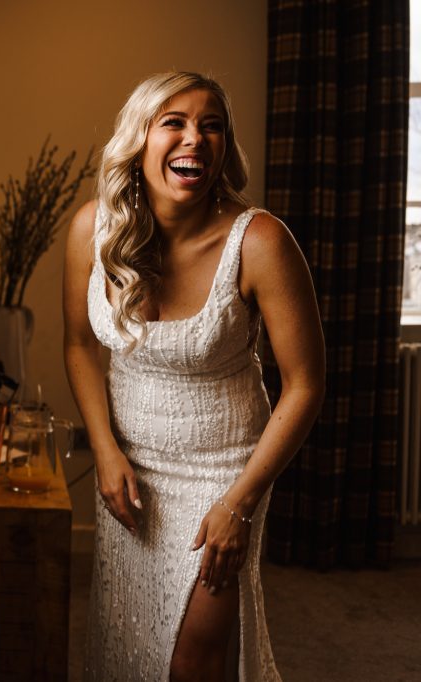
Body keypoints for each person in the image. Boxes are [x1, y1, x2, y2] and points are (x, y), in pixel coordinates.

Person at [62, 72, 325, 681]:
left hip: (224, 476)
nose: (196, 140)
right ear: (140, 139)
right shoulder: (91, 231)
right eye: (174, 123)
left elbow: (306, 382)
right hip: (127, 474)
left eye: (212, 126)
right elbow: (78, 345)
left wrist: (241, 502)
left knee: (193, 662)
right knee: (127, 647)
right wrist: (103, 451)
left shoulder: (259, 241)